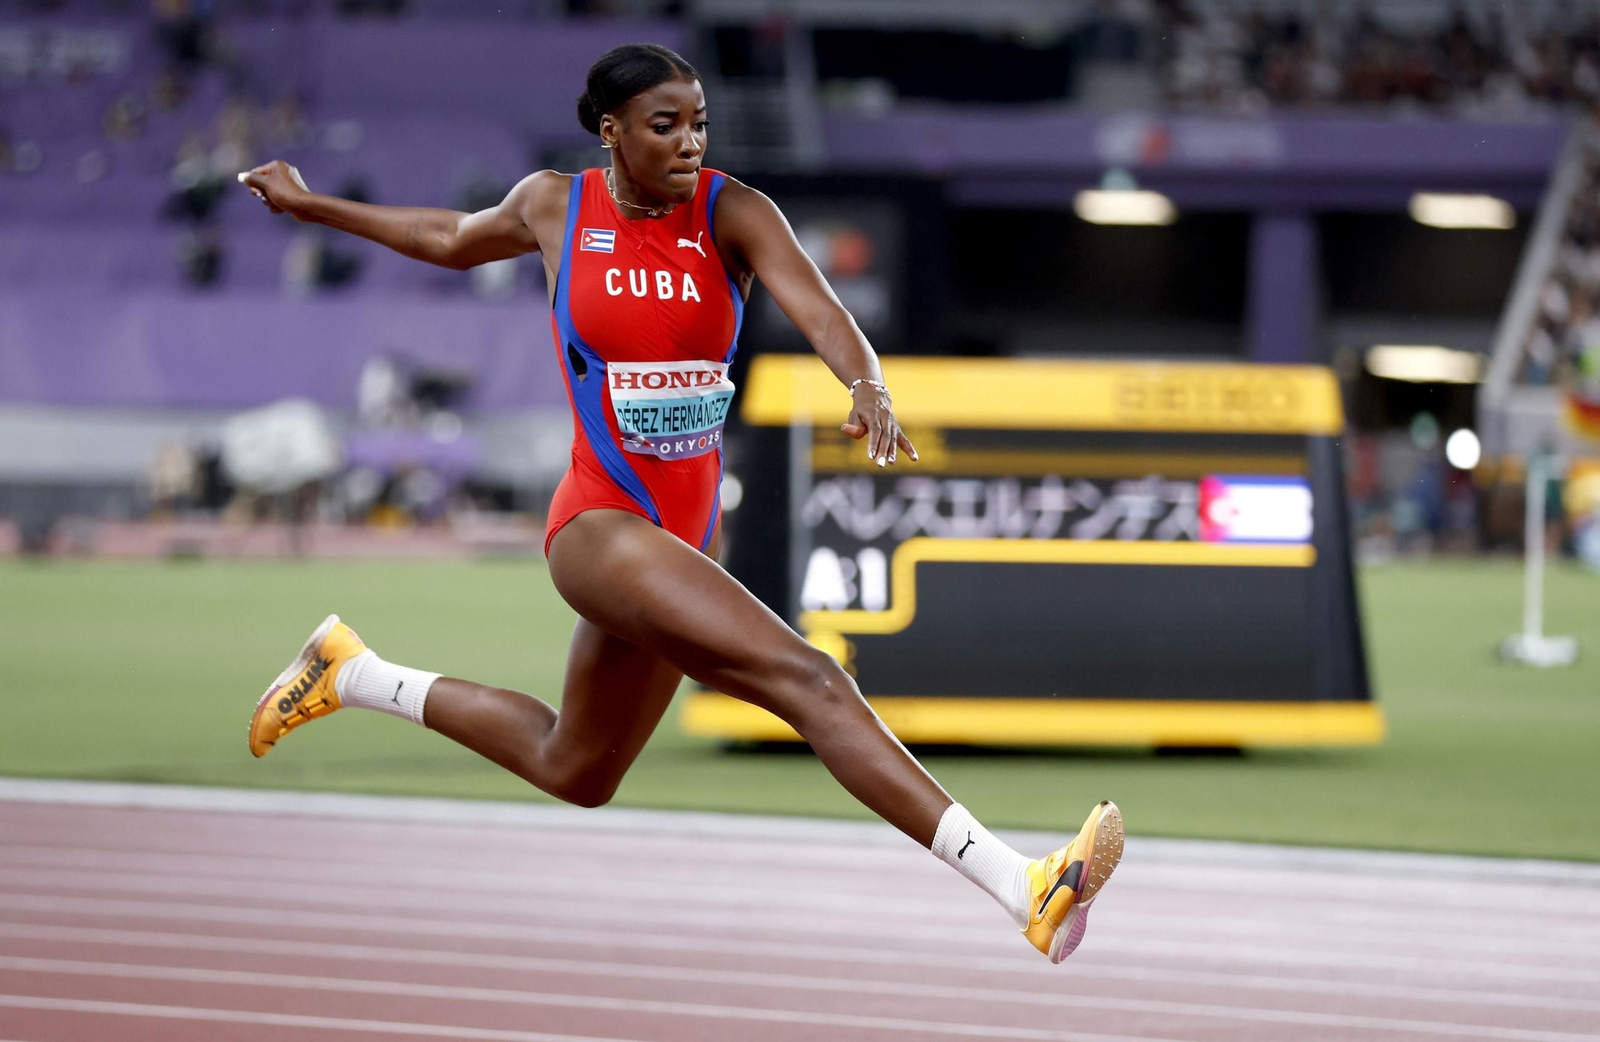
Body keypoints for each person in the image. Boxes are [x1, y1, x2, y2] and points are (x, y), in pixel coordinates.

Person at [238, 43, 1121, 963]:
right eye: (666, 126)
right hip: (598, 525)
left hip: (684, 539)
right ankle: (1022, 885)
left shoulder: (732, 212)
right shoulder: (555, 204)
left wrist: (868, 383)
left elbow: (824, 314)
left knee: (575, 769)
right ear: (611, 130)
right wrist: (311, 204)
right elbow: (448, 239)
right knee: (813, 680)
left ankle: (349, 673)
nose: (690, 142)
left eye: (699, 122)